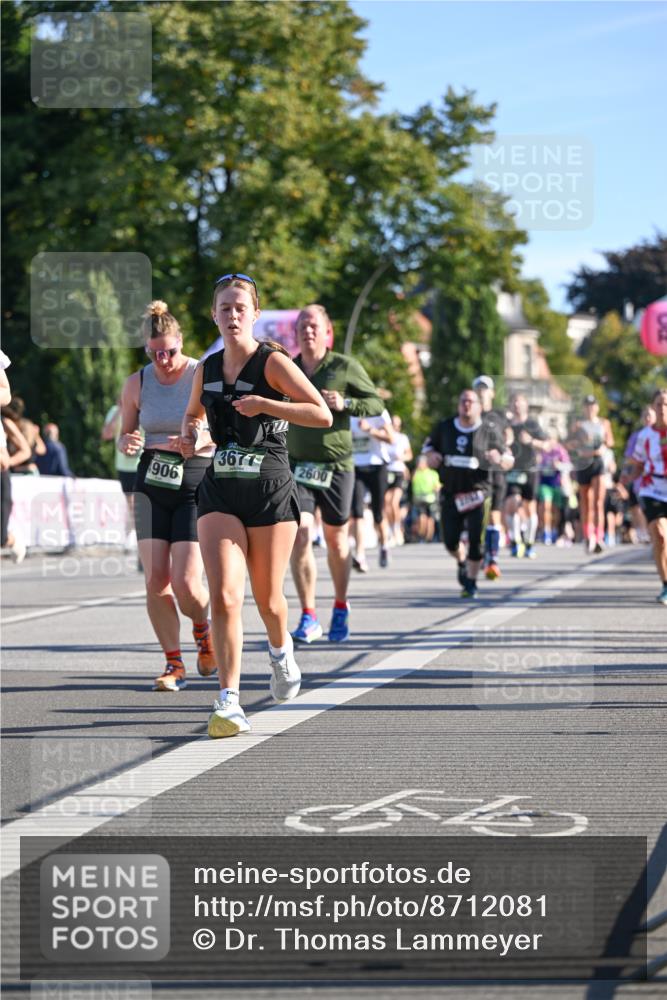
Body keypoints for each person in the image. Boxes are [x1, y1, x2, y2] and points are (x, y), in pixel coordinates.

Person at [181, 275, 331, 738]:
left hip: (269, 489)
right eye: (224, 308)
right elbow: (193, 417)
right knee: (226, 596)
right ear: (214, 315)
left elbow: (321, 413)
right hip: (221, 489)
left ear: (254, 313)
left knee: (268, 600)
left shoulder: (273, 363)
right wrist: (193, 436)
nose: (232, 316)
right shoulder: (205, 369)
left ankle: (281, 650)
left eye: (240, 308)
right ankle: (228, 700)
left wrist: (267, 404)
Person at [119, 300, 216, 692]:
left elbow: (219, 429)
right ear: (147, 349)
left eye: (170, 351)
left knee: (186, 584)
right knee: (156, 581)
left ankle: (203, 629)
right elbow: (128, 432)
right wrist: (128, 441)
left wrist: (196, 438)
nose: (164, 360)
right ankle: (173, 663)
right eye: (156, 353)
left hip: (194, 477)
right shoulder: (137, 382)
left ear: (181, 342)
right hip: (152, 480)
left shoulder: (200, 374)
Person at [287, 303, 384, 643]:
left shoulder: (344, 366)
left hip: (337, 466)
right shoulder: (288, 368)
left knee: (336, 540)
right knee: (299, 533)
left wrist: (346, 403)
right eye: (302, 325)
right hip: (297, 466)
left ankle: (340, 606)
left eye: (313, 325)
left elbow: (376, 404)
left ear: (327, 331)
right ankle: (308, 614)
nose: (307, 330)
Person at [424, 388, 513, 598]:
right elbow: (427, 447)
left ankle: (471, 583)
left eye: (471, 402)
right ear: (458, 404)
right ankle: (461, 561)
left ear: (479, 407)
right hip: (451, 492)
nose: (467, 405)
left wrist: (498, 458)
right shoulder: (445, 427)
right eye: (463, 401)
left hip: (478, 494)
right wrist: (432, 455)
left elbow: (509, 459)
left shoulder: (489, 431)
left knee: (476, 540)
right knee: (450, 541)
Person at [623, 389, 667, 604]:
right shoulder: (645, 436)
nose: (663, 409)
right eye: (659, 404)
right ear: (653, 407)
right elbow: (638, 464)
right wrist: (627, 478)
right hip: (652, 488)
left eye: (666, 404)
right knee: (659, 534)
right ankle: (666, 584)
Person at [350, 408, 396, 569]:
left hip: (377, 466)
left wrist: (369, 429)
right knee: (357, 512)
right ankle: (360, 555)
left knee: (378, 512)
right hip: (355, 467)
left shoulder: (378, 411)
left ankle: (384, 545)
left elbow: (391, 438)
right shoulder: (345, 411)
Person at [568, 395, 614, 554]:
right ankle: (589, 536)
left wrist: (602, 446)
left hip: (598, 463)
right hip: (583, 463)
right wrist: (579, 444)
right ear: (583, 408)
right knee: (585, 502)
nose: (590, 408)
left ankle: (599, 535)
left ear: (597, 407)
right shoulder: (578, 425)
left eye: (592, 405)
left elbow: (610, 442)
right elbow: (569, 443)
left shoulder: (604, 423)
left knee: (598, 502)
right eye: (587, 405)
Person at [472, 375, 508, 579]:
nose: (481, 392)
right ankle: (478, 554)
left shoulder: (499, 415)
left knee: (494, 515)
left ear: (492, 393)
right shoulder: (470, 414)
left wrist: (505, 452)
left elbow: (509, 435)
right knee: (477, 517)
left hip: (495, 471)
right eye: (478, 388)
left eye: (484, 389)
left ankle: (492, 558)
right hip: (475, 473)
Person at [504, 394, 546, 559]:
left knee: (529, 507)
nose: (516, 405)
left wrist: (531, 441)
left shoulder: (532, 424)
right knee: (512, 502)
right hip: (512, 469)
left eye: (519, 402)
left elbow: (547, 445)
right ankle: (515, 541)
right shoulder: (507, 425)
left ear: (526, 405)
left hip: (530, 469)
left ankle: (529, 543)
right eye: (513, 402)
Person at [102, 397, 143, 550]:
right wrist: (119, 410)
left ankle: (137, 535)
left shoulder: (144, 408)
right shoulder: (115, 411)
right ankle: (132, 535)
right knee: (131, 503)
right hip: (124, 465)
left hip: (142, 462)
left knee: (139, 502)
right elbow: (106, 434)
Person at [624, 405, 655, 544]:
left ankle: (651, 533)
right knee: (640, 507)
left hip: (660, 479)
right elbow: (630, 457)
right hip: (641, 478)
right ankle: (644, 533)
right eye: (645, 415)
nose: (648, 418)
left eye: (650, 415)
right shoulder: (637, 436)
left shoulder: (662, 433)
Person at [384, 414, 413, 546]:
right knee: (386, 502)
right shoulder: (384, 436)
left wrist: (401, 457)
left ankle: (396, 530)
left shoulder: (402, 438)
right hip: (386, 471)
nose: (396, 427)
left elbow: (409, 455)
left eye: (398, 425)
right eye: (393, 424)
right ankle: (391, 530)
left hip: (398, 471)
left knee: (394, 501)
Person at [537, 432, 571, 545]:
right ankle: (546, 531)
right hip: (545, 482)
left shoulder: (561, 451)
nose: (549, 441)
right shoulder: (542, 451)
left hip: (557, 483)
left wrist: (559, 465)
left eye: (551, 439)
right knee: (545, 506)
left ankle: (554, 530)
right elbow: (536, 465)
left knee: (555, 509)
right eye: (548, 438)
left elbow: (569, 466)